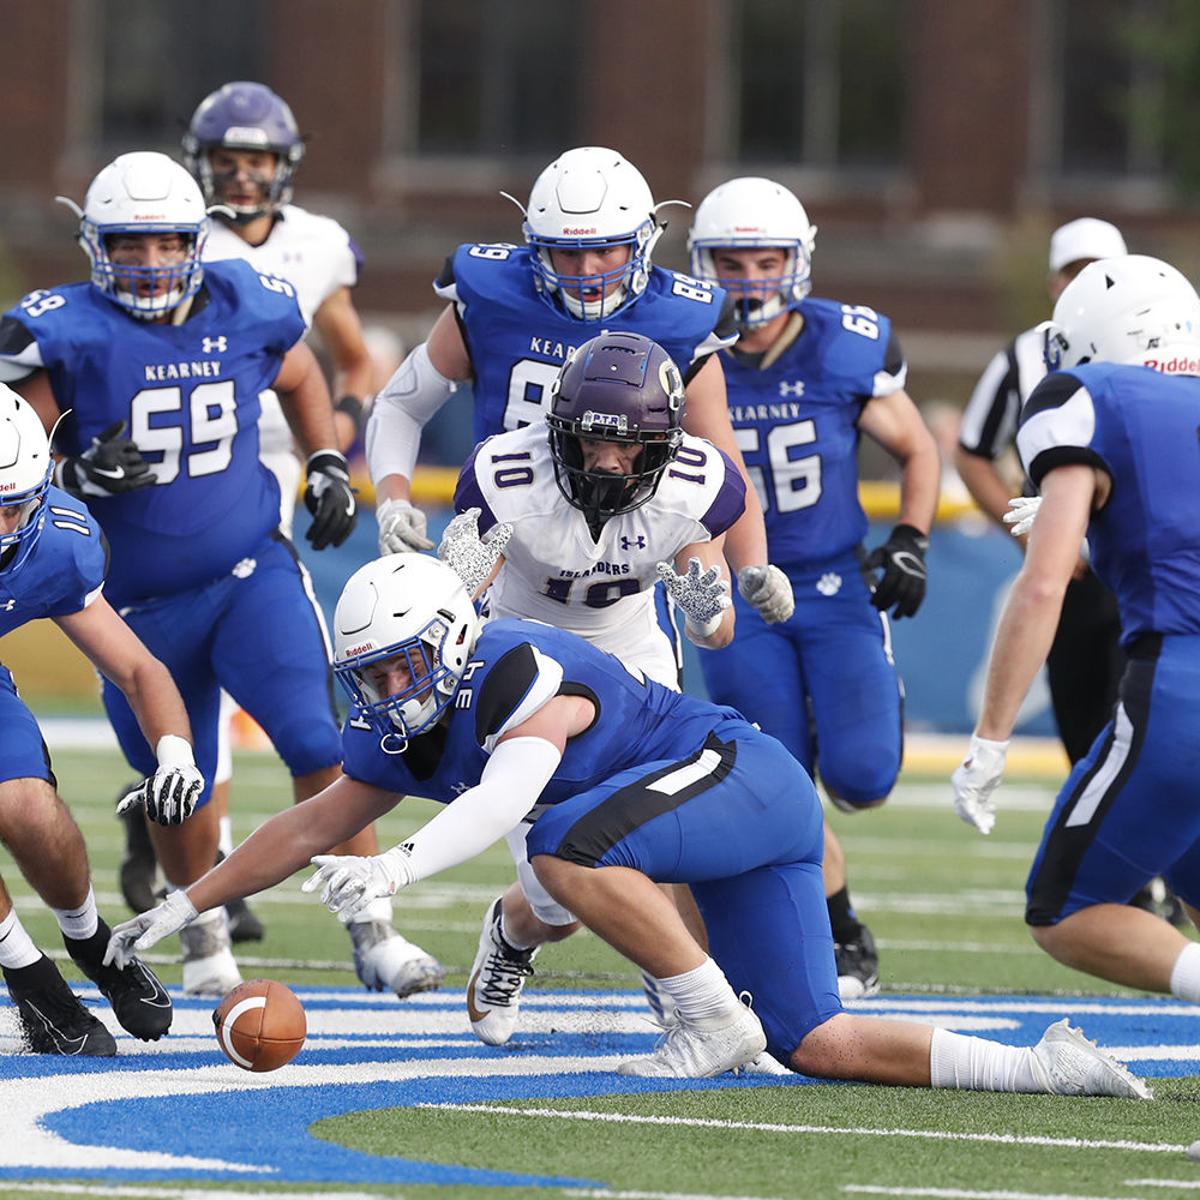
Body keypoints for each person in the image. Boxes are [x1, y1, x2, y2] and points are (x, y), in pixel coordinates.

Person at [108, 553, 1147, 1099]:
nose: (390, 692)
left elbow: (507, 796)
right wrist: (184, 904)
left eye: (403, 667)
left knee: (560, 845)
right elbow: (307, 825)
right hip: (702, 819)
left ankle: (702, 1018)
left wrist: (397, 870)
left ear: (455, 640)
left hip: (738, 778)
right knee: (816, 1043)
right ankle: (1040, 1067)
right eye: (371, 677)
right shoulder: (400, 720)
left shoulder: (516, 664)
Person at [0, 151, 436, 999]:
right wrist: (77, 468)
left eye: (168, 241)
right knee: (180, 782)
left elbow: (302, 373)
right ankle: (202, 934)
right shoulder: (63, 330)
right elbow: (19, 448)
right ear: (95, 247)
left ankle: (373, 927)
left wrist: (325, 459)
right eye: (129, 244)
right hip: (133, 603)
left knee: (319, 741)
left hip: (247, 572)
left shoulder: (247, 302)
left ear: (197, 241)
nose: (151, 261)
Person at [116, 81, 380, 948]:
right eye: (225, 159)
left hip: (276, 459)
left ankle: (347, 912)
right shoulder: (170, 233)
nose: (240, 173)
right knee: (205, 702)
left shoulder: (317, 245)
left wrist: (332, 449)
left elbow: (350, 360)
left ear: (284, 165)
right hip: (176, 470)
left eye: (255, 159)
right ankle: (209, 869)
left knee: (281, 679)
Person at [440, 330, 745, 1045]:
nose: (607, 460)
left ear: (664, 442)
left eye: (627, 445)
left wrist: (706, 612)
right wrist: (454, 588)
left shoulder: (699, 483)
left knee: (671, 837)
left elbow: (717, 632)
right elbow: (457, 603)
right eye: (589, 439)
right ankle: (513, 931)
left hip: (630, 649)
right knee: (560, 893)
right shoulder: (506, 475)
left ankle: (691, 992)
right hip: (524, 656)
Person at [685, 177, 940, 998]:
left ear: (797, 262)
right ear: (702, 264)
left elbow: (919, 448)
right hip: (736, 585)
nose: (751, 279)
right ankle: (839, 927)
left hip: (832, 583)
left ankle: (850, 712)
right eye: (732, 263)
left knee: (863, 778)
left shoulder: (843, 344)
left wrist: (910, 539)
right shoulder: (680, 343)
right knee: (780, 781)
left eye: (767, 261)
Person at [366, 145, 793, 627]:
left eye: (604, 250)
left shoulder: (679, 322)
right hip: (507, 536)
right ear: (536, 245)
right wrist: (393, 501)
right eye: (567, 253)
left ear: (642, 242)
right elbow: (402, 405)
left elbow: (723, 461)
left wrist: (755, 565)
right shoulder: (491, 297)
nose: (587, 270)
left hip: (628, 549)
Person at [951, 254, 1200, 1010]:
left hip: (1183, 682)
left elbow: (1043, 585)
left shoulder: (1087, 396)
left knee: (1063, 909)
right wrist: (1098, 531)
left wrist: (991, 738)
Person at [0, 387, 187, 1054]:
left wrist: (175, 754)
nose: (2, 528)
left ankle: (87, 937)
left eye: (12, 507)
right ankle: (29, 976)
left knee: (27, 806)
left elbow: (137, 669)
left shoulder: (57, 542)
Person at [955, 218, 1127, 766]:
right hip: (1070, 573)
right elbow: (972, 451)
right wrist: (1031, 535)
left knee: (1144, 724)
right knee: (1084, 733)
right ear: (1055, 283)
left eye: (1101, 271)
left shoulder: (1158, 347)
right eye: (1075, 272)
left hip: (1142, 566)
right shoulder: (1026, 355)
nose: (1087, 282)